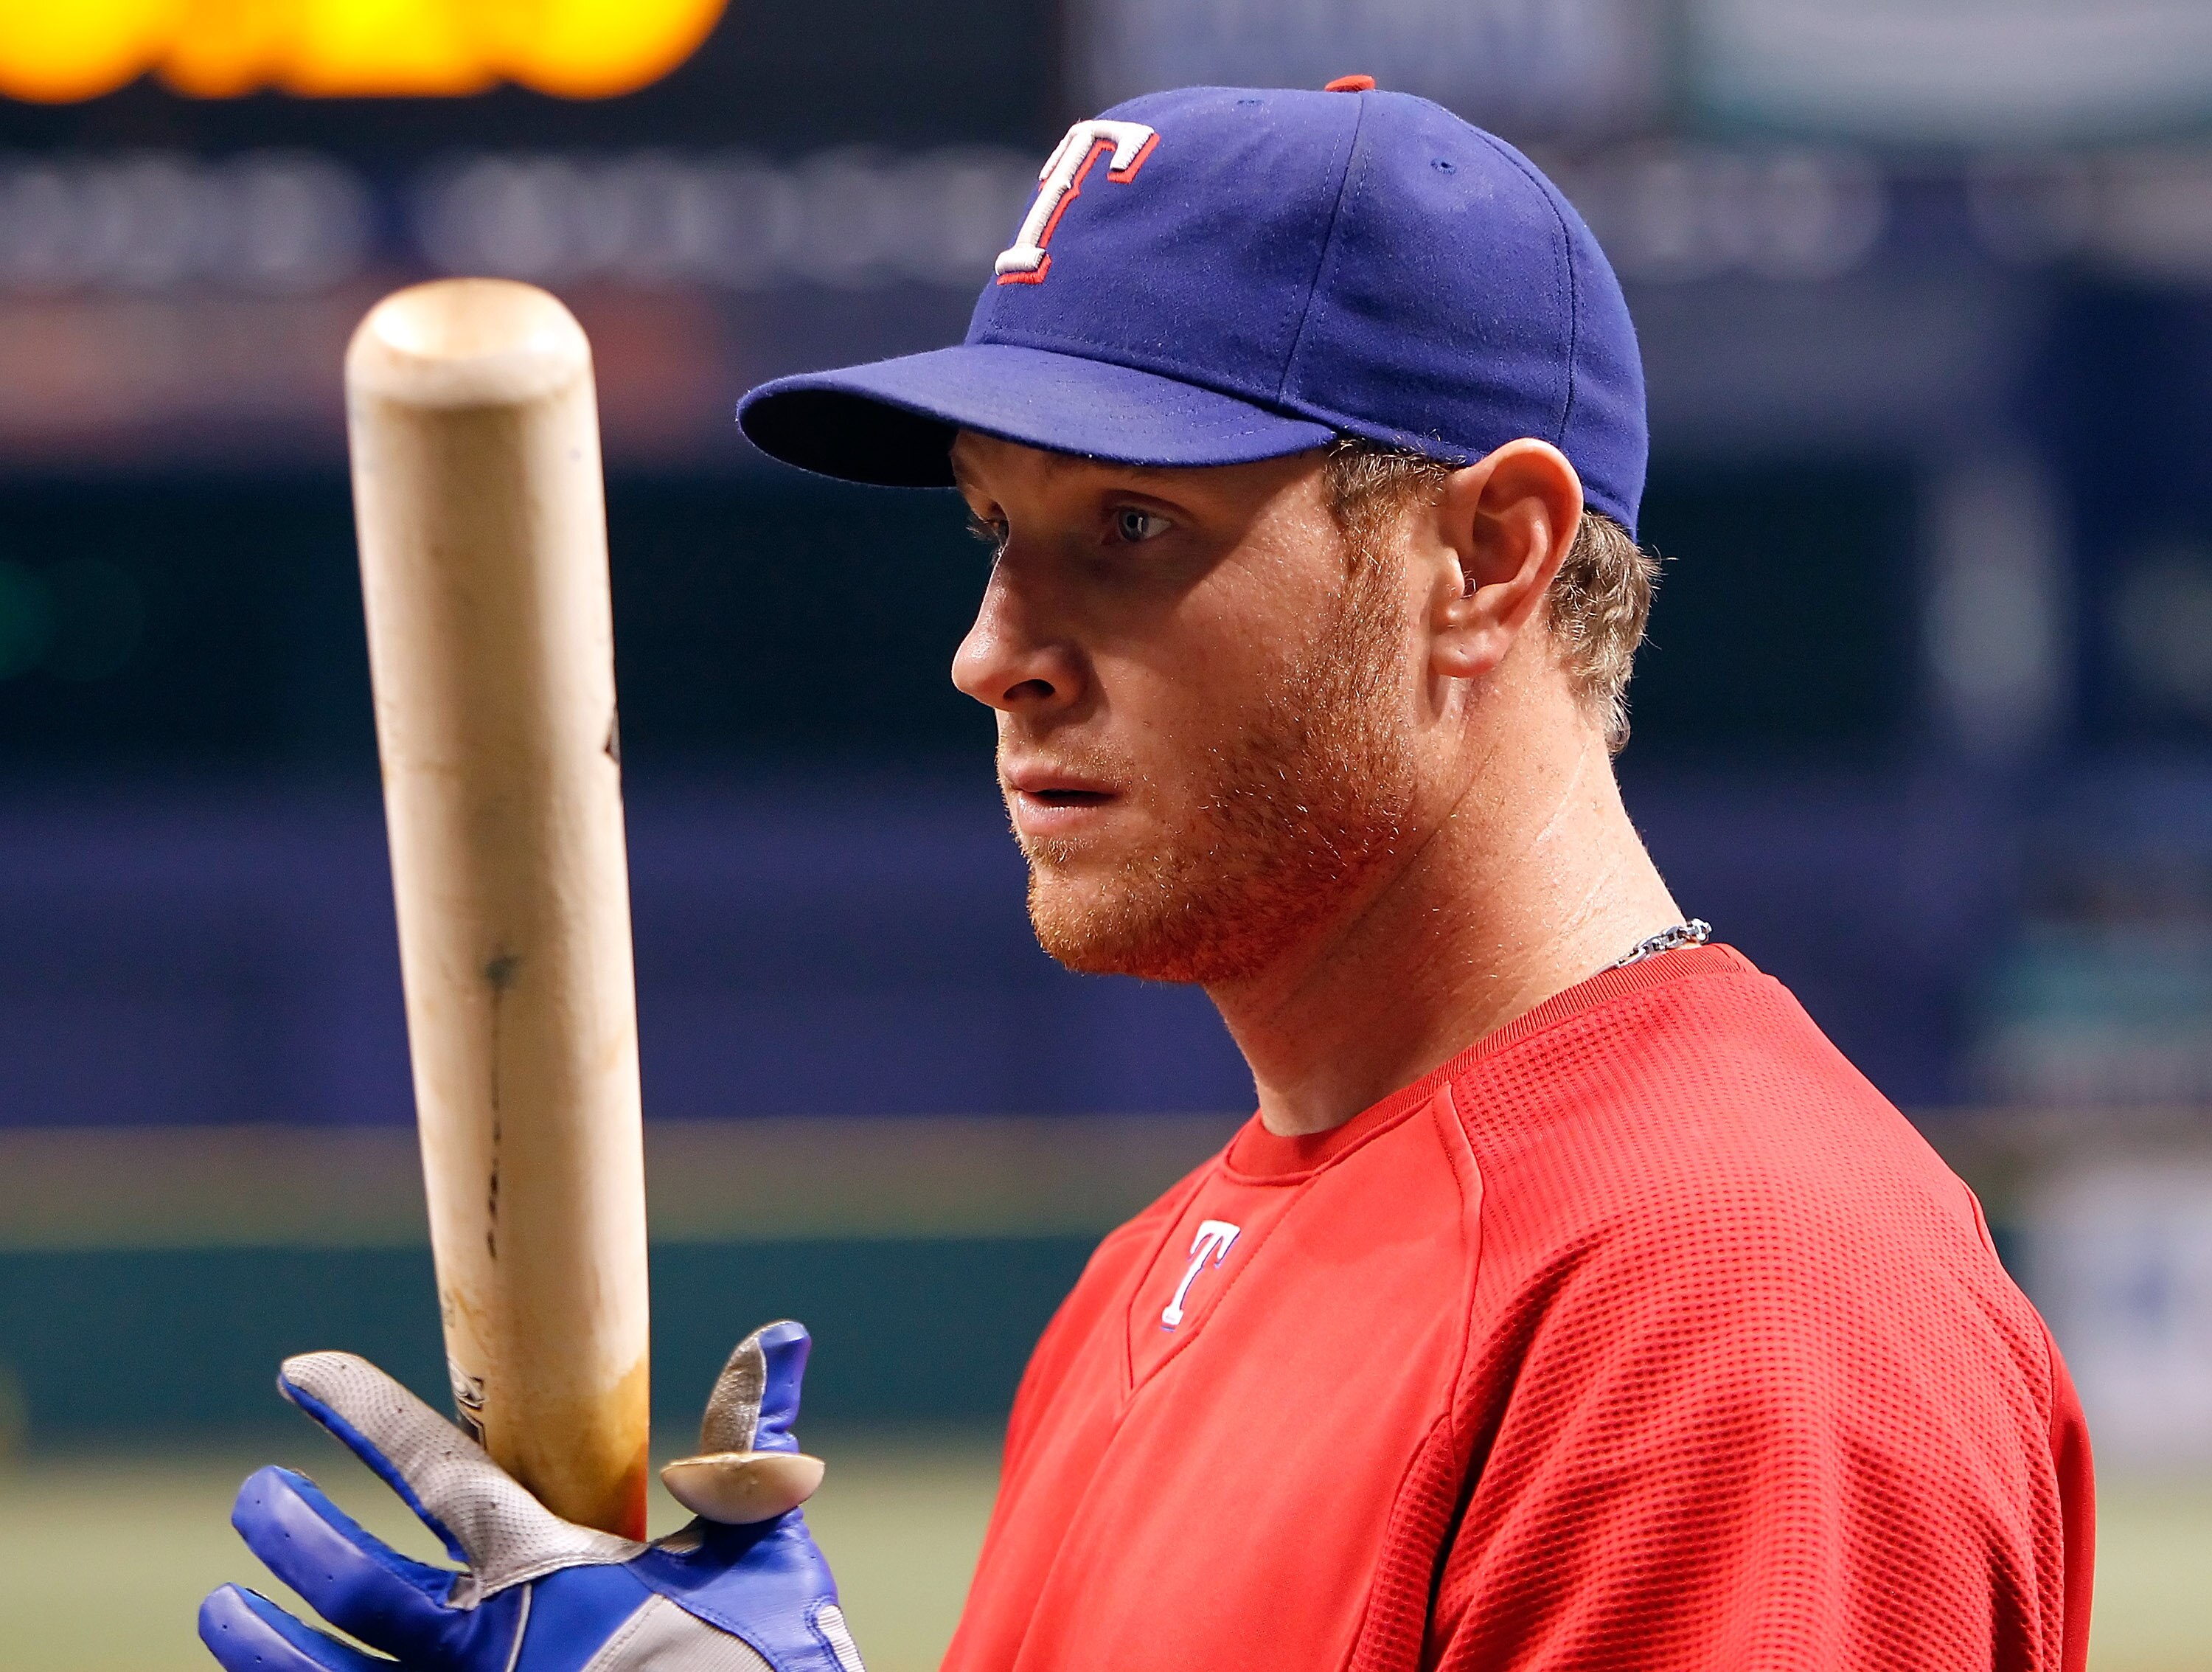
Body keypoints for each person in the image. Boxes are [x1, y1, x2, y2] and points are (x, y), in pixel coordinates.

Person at [199, 80, 2094, 1672]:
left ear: (1494, 558)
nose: (993, 646)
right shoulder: (1146, 1282)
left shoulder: (1728, 1296)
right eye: (992, 529)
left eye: (1128, 523)